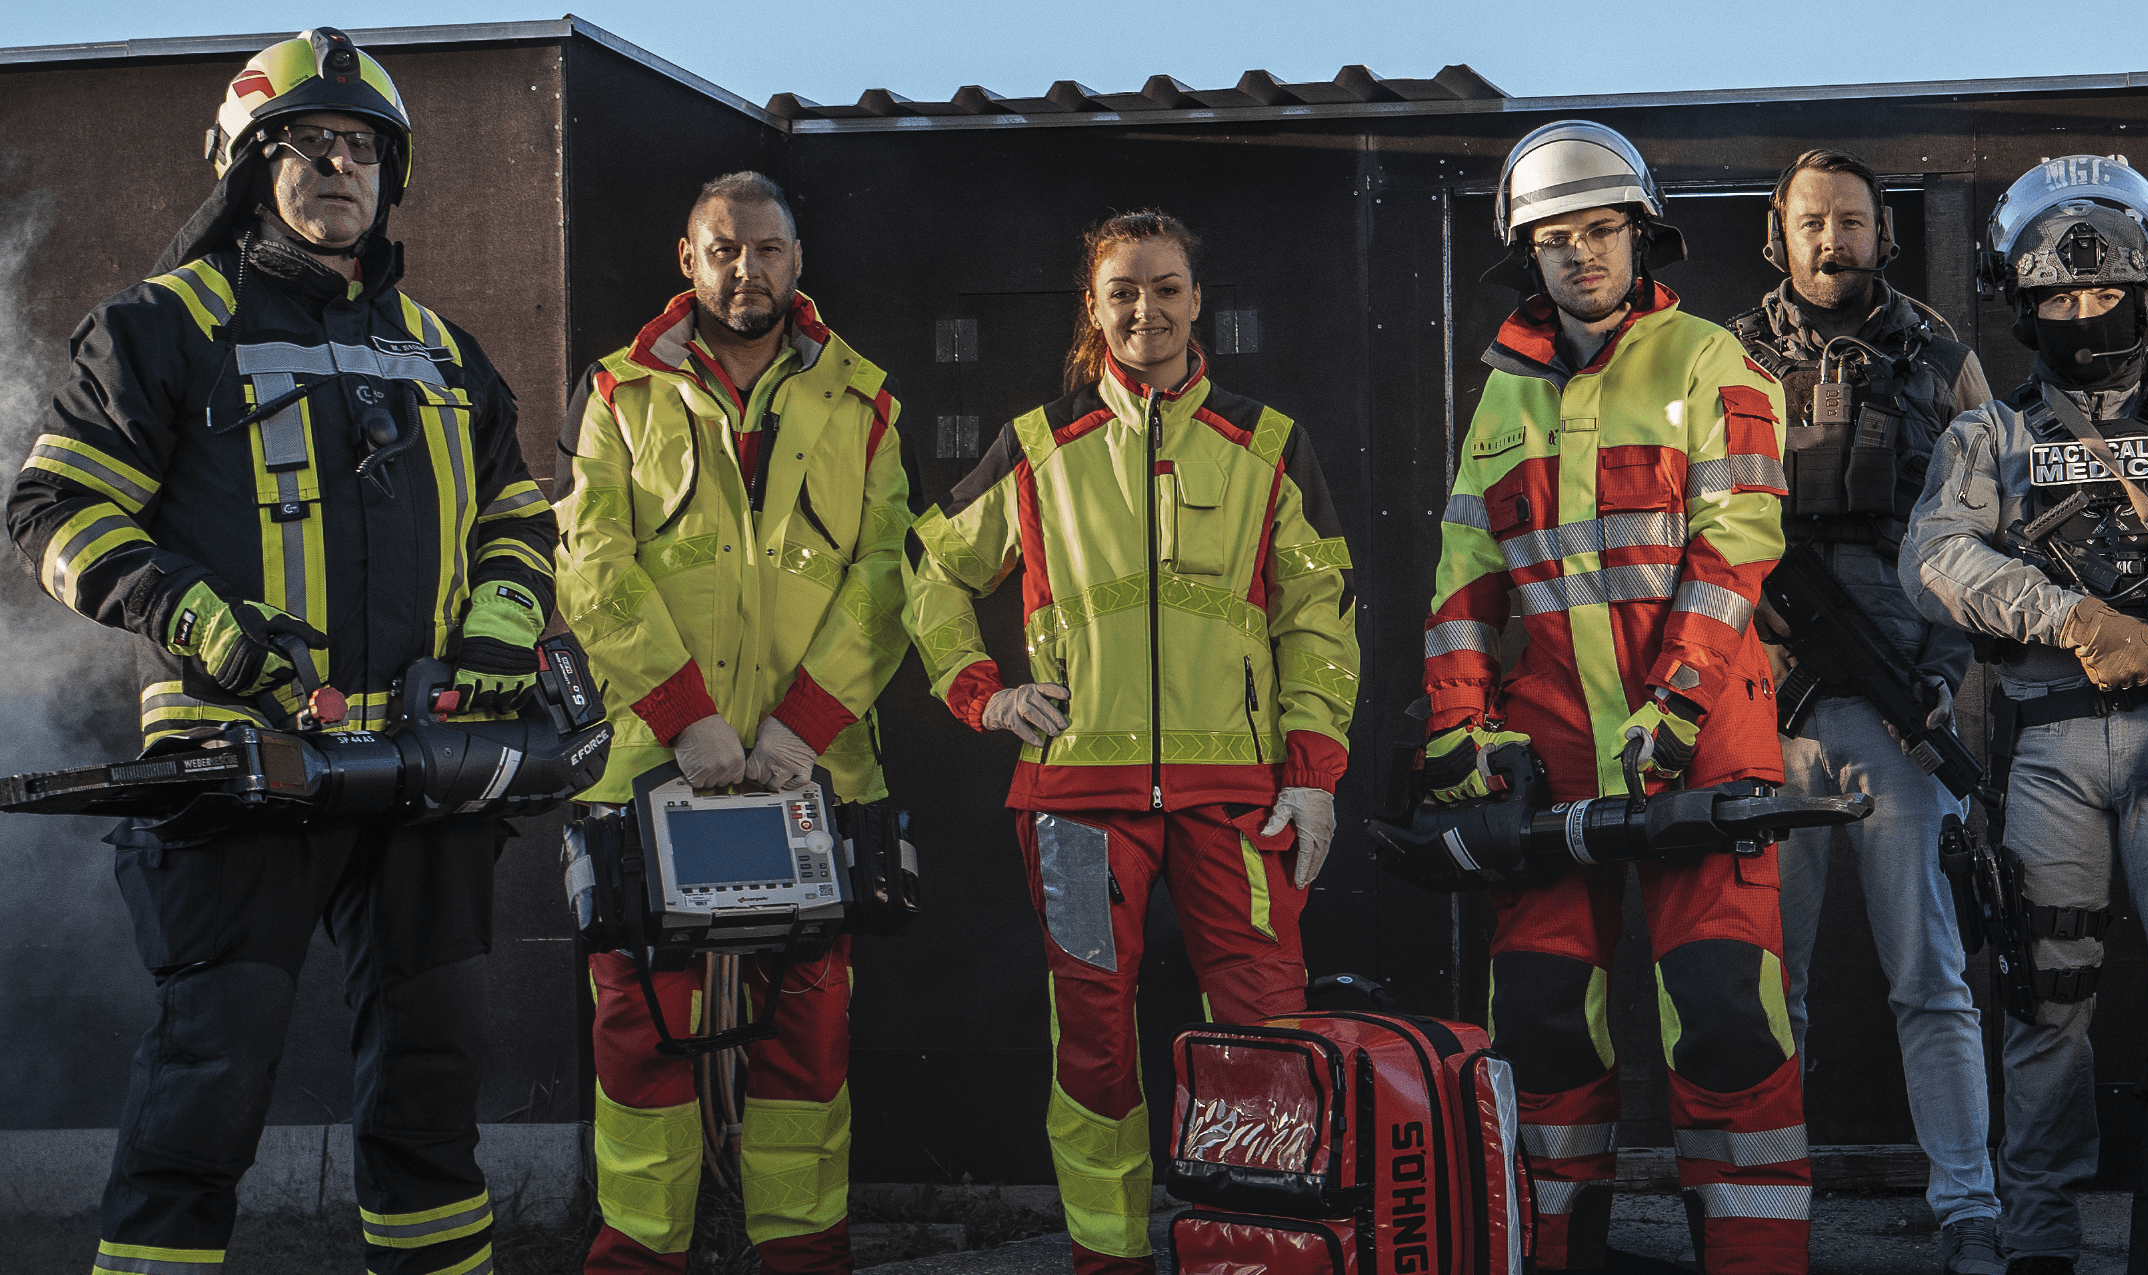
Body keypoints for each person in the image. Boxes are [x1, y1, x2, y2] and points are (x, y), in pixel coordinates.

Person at [6, 29, 555, 1275]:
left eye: (363, 147)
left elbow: (518, 515)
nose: (339, 168)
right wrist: (197, 619)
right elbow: (51, 511)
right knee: (207, 1081)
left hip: (426, 768)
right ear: (251, 167)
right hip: (240, 761)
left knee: (431, 1093)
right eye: (309, 145)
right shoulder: (157, 327)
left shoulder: (447, 354)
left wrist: (501, 633)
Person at [904, 210, 1358, 1275]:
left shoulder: (1271, 442)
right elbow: (928, 570)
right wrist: (981, 692)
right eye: (1123, 292)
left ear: (1197, 302)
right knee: (1094, 1042)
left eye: (1165, 289)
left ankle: (1262, 1253)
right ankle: (1103, 1258)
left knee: (1264, 1033)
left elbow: (1319, 618)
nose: (1144, 311)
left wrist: (1316, 777)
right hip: (1074, 798)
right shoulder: (1035, 446)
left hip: (1240, 797)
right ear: (1094, 308)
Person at [1422, 120, 1806, 1274]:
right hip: (1547, 757)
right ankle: (1550, 1254)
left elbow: (1736, 543)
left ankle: (1754, 1261)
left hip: (1702, 743)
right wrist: (1456, 729)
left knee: (1727, 1018)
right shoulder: (1501, 401)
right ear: (1524, 253)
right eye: (1554, 237)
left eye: (1599, 231)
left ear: (1640, 237)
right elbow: (1463, 585)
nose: (1580, 255)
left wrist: (1679, 697)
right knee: (1539, 1020)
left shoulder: (1709, 362)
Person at [555, 171, 913, 1275]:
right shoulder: (617, 394)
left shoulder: (867, 403)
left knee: (806, 1064)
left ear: (796, 261)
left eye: (765, 250)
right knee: (644, 1065)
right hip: (650, 786)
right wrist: (684, 719)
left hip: (815, 786)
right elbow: (590, 563)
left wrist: (801, 727)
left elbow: (886, 580)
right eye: (723, 250)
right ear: (687, 258)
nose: (744, 270)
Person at [1901, 154, 2148, 1275]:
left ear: (2145, 288)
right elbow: (1931, 558)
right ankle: (2036, 1238)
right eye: (2055, 299)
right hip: (2048, 749)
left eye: (2102, 292)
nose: (2081, 316)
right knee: (2046, 1000)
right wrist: (2075, 616)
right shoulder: (1990, 439)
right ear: (2022, 304)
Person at [1727, 149, 2004, 1275]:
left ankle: (1969, 1203)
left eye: (1851, 221)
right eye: (1811, 222)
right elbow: (1691, 525)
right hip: (1761, 713)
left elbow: (1989, 527)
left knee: (1931, 979)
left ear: (1883, 235)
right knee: (1764, 977)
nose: (1830, 239)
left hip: (1900, 712)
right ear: (1778, 236)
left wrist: (1939, 677)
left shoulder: (1939, 355)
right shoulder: (1722, 358)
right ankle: (1763, 1198)